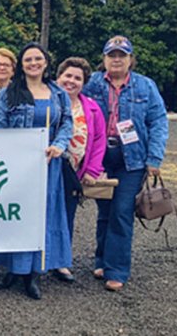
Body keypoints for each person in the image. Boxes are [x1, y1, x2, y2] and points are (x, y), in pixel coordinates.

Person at [0, 42, 73, 300]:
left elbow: (66, 124)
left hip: (48, 164)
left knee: (42, 215)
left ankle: (33, 272)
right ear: (22, 64)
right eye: (28, 59)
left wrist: (59, 145)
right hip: (18, 165)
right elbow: (2, 125)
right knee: (16, 214)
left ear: (46, 62)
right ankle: (14, 269)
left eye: (38, 59)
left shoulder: (58, 93)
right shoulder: (10, 93)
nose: (33, 63)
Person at [82, 36, 168, 292]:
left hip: (132, 158)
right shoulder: (92, 83)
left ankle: (116, 269)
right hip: (99, 156)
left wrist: (154, 158)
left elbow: (158, 121)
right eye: (112, 55)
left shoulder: (145, 86)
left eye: (122, 55)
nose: (117, 59)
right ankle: (102, 260)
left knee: (121, 211)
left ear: (131, 59)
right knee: (105, 211)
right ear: (104, 59)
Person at [54, 57, 107, 283]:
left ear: (84, 83)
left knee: (67, 215)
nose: (71, 81)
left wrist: (92, 171)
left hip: (74, 172)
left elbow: (99, 140)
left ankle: (61, 262)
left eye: (77, 78)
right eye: (67, 75)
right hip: (48, 169)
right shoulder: (48, 100)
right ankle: (38, 260)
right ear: (58, 77)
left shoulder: (92, 108)